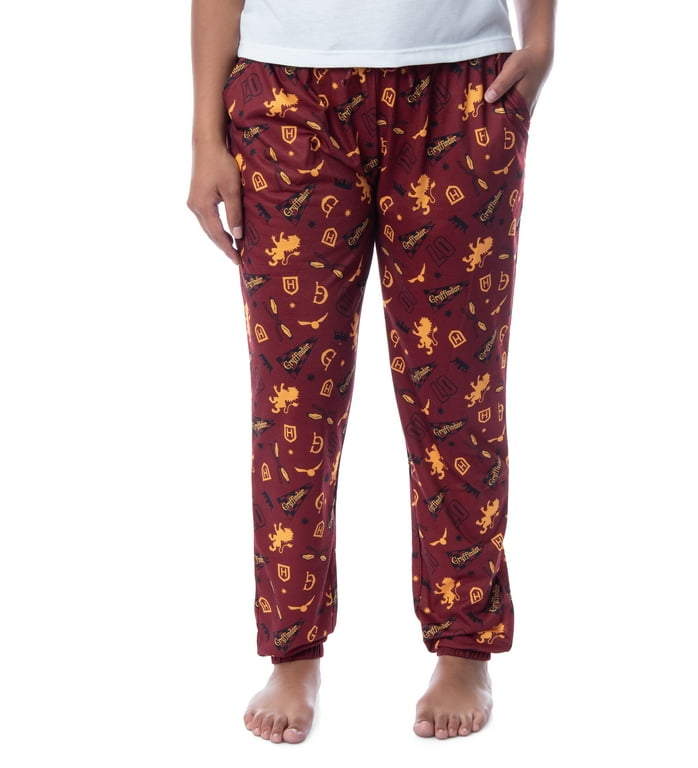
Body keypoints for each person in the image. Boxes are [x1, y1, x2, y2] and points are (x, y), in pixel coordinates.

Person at [187, 0, 555, 744]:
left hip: (460, 84)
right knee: (293, 403)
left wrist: (541, 37)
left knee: (460, 393)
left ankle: (464, 645)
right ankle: (293, 652)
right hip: (287, 94)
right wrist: (204, 134)